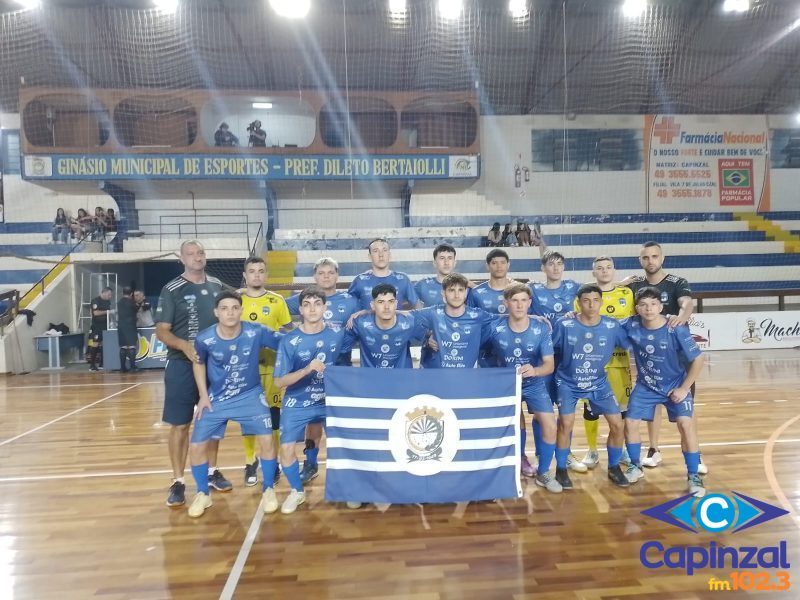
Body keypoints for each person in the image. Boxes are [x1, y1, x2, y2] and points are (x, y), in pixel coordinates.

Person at [187, 291, 283, 518]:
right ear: (216, 312)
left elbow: (285, 343)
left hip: (250, 395)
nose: (229, 313)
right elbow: (198, 363)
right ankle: (203, 493)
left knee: (267, 439)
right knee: (196, 445)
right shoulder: (204, 338)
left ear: (241, 310)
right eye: (224, 308)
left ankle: (269, 488)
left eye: (234, 308)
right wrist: (203, 395)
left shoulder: (256, 331)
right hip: (217, 398)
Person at [155, 240, 231, 508]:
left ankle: (211, 472)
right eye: (191, 253)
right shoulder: (172, 289)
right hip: (181, 365)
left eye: (200, 253)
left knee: (211, 421)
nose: (197, 257)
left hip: (215, 366)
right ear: (182, 258)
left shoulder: (218, 286)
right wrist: (185, 346)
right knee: (180, 424)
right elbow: (162, 331)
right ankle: (178, 481)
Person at [626, 241, 704, 473]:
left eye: (654, 256)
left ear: (662, 258)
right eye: (645, 257)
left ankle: (695, 456)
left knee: (686, 412)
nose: (650, 261)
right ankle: (653, 449)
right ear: (640, 261)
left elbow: (687, 303)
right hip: (651, 355)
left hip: (678, 356)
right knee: (652, 404)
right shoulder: (634, 285)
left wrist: (682, 317)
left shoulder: (676, 282)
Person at [621, 286, 705, 497]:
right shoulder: (631, 324)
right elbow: (603, 325)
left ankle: (694, 474)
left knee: (686, 425)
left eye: (653, 304)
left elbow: (698, 359)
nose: (648, 309)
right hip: (646, 386)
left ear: (660, 306)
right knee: (630, 422)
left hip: (674, 385)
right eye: (643, 304)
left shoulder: (675, 327)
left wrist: (684, 388)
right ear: (637, 308)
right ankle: (635, 466)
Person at [273, 286, 347, 514]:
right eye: (307, 304)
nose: (312, 308)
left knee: (343, 445)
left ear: (325, 307)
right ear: (301, 310)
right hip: (298, 401)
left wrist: (361, 314)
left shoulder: (338, 331)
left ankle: (348, 489)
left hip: (330, 400)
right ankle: (297, 491)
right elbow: (279, 382)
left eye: (317, 303)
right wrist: (306, 370)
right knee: (285, 449)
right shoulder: (290, 340)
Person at [285, 257, 359, 484]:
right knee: (313, 421)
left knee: (339, 422)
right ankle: (310, 463)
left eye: (330, 272)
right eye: (321, 273)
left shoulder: (351, 301)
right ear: (315, 276)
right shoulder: (305, 300)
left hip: (341, 371)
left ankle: (346, 468)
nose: (326, 277)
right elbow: (276, 305)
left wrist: (361, 314)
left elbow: (372, 312)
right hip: (310, 374)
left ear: (337, 275)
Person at [551, 284, 630, 490]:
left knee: (617, 424)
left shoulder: (612, 326)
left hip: (598, 382)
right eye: (586, 300)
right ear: (578, 303)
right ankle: (560, 468)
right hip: (568, 382)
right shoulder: (565, 324)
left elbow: (632, 342)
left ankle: (613, 467)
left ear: (602, 302)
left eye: (596, 300)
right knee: (565, 423)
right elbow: (551, 350)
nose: (591, 305)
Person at [487, 284, 560, 493]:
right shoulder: (494, 327)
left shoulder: (540, 328)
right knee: (515, 423)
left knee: (550, 425)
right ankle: (518, 461)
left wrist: (535, 371)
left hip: (534, 383)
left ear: (530, 303)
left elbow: (549, 365)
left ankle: (544, 472)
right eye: (514, 300)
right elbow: (479, 349)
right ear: (506, 303)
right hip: (507, 384)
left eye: (523, 300)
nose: (519, 305)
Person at [575, 256, 636, 470]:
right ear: (593, 273)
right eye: (599, 268)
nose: (604, 271)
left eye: (608, 267)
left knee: (621, 412)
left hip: (620, 363)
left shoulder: (627, 294)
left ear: (614, 270)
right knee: (590, 410)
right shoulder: (584, 296)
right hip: (591, 363)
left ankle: (621, 450)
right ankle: (592, 451)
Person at [528, 250, 585, 474]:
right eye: (551, 264)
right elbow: (518, 306)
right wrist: (534, 317)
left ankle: (566, 452)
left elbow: (599, 291)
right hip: (542, 357)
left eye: (559, 264)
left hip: (567, 356)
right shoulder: (534, 289)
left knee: (566, 410)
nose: (556, 268)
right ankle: (541, 452)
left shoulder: (574, 287)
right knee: (540, 409)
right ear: (543, 268)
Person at [238, 256, 292, 488]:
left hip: (272, 369)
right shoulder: (236, 300)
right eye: (252, 271)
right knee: (249, 417)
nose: (256, 275)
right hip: (244, 371)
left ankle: (276, 463)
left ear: (266, 275)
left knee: (274, 418)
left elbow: (288, 333)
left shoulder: (277, 301)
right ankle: (250, 461)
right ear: (245, 275)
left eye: (261, 271)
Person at [411, 273, 495, 369]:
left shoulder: (478, 316)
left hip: (466, 378)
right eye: (451, 290)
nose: (456, 295)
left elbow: (505, 319)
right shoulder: (433, 313)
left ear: (466, 293)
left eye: (460, 290)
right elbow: (404, 317)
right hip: (435, 377)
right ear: (443, 293)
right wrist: (427, 338)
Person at [347, 238, 421, 311]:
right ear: (369, 257)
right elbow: (348, 305)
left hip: (395, 322)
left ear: (390, 255)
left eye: (384, 250)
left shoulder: (403, 279)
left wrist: (407, 315)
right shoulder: (360, 280)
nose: (381, 255)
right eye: (376, 251)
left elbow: (417, 305)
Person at [88, 287, 113, 372]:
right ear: (104, 293)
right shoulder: (95, 301)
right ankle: (92, 365)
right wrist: (107, 312)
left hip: (106, 326)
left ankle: (102, 363)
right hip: (97, 326)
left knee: (104, 344)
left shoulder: (108, 301)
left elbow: (109, 313)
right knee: (95, 344)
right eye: (109, 294)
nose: (110, 296)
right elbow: (95, 313)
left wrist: (111, 321)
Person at [116, 287, 139, 373]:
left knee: (123, 346)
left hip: (121, 326)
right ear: (131, 294)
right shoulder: (132, 302)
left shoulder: (119, 302)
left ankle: (122, 368)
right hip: (130, 326)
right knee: (132, 346)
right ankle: (132, 367)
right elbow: (137, 309)